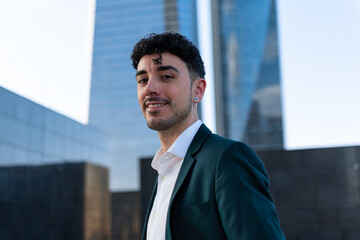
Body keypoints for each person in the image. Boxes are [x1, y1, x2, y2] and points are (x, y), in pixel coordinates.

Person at [131, 32, 286, 240]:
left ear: (198, 89)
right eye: (142, 79)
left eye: (166, 76)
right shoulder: (162, 171)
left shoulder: (228, 159)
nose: (149, 88)